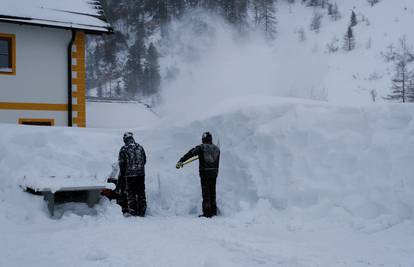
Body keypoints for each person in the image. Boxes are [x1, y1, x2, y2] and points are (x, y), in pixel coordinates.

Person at [176, 132, 220, 218]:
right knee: (212, 192)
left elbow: (191, 153)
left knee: (206, 192)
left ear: (203, 139)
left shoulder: (201, 147)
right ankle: (213, 211)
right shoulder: (217, 149)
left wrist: (181, 161)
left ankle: (207, 213)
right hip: (214, 173)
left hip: (205, 173)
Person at [118, 132, 147, 217]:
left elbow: (122, 163)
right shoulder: (140, 147)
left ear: (124, 140)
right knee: (141, 192)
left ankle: (133, 211)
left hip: (130, 175)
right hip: (141, 174)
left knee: (131, 193)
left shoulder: (124, 149)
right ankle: (142, 211)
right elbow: (144, 160)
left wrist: (123, 174)